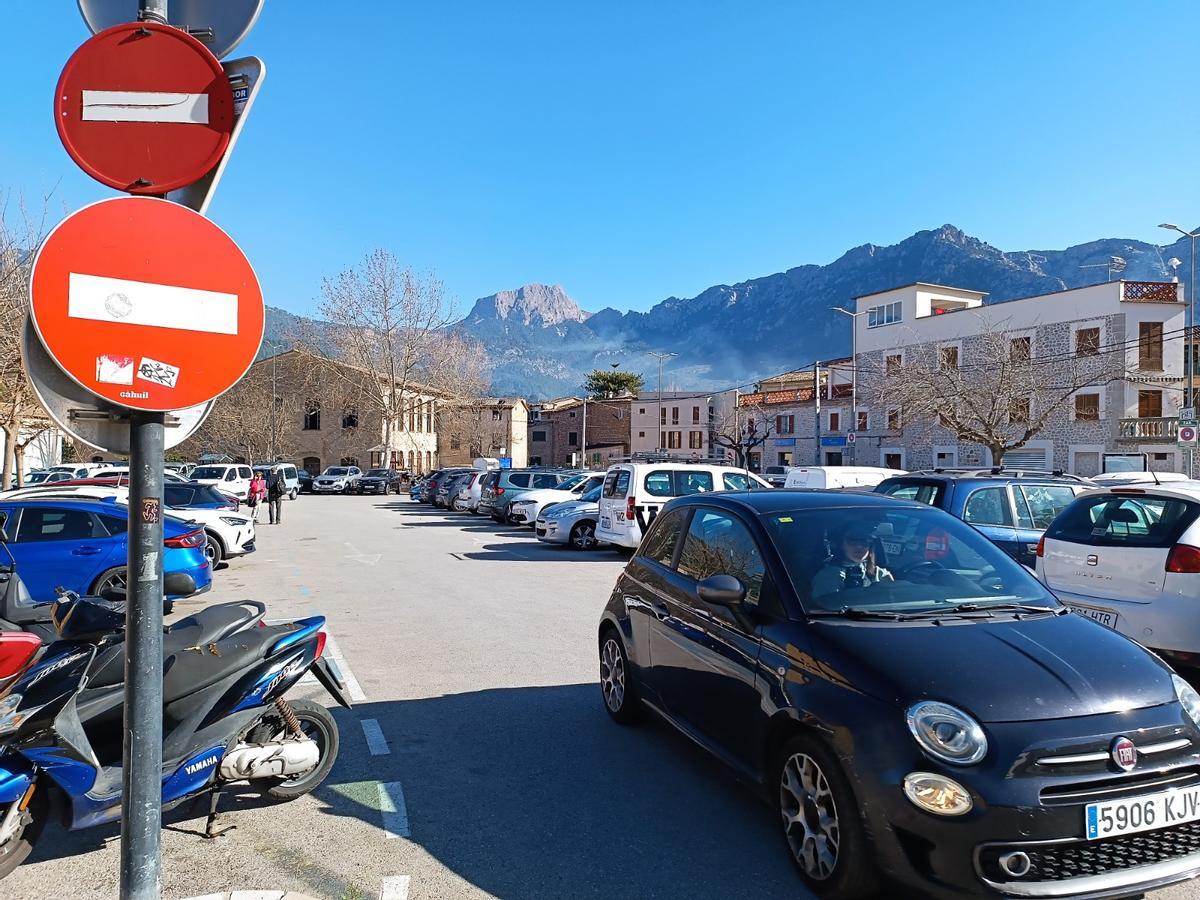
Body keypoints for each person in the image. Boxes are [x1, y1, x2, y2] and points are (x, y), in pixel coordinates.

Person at [811, 524, 893, 603]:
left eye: (864, 540)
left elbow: (892, 604)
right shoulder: (829, 577)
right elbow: (825, 611)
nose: (859, 546)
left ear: (870, 545)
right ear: (840, 544)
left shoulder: (879, 574)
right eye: (852, 540)